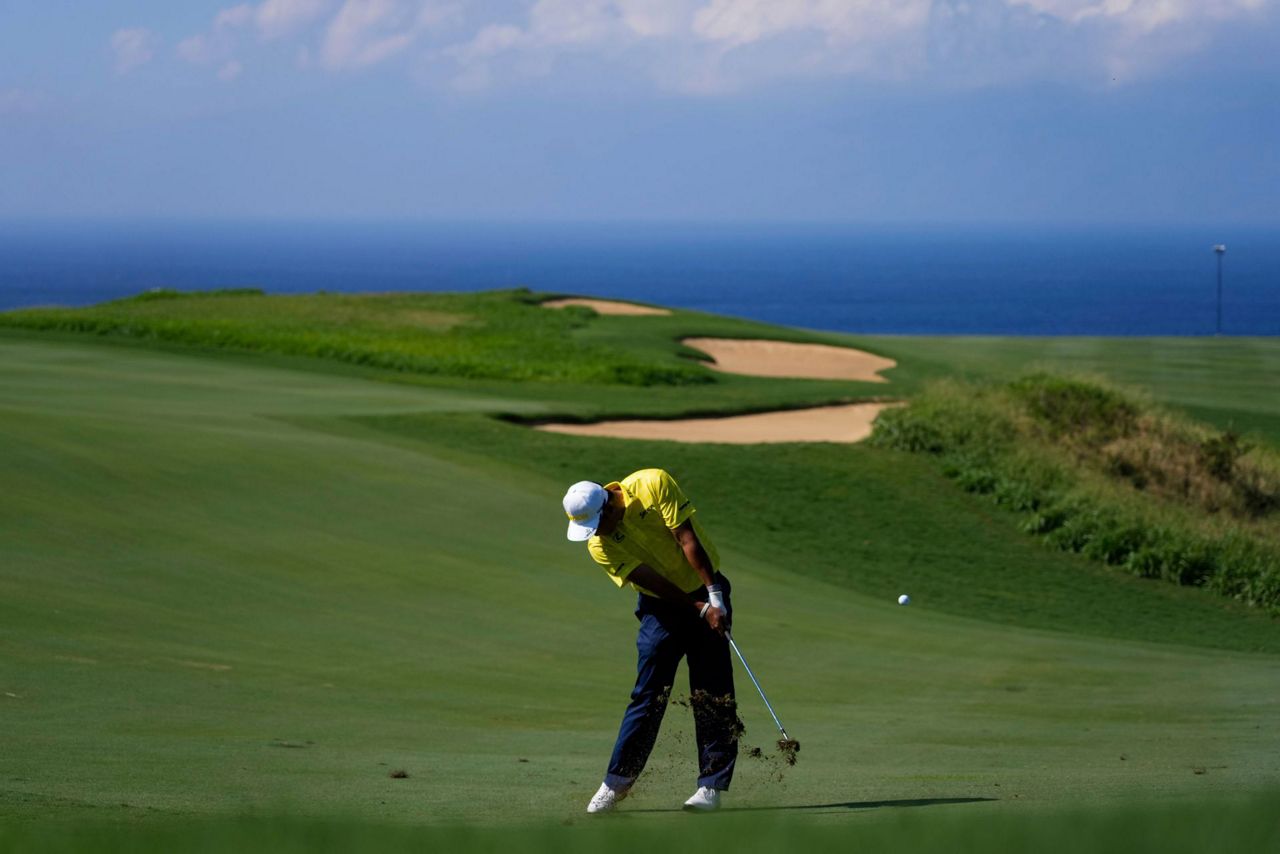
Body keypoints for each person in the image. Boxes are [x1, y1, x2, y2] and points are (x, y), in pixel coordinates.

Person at [562, 468, 737, 814]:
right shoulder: (599, 546)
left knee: (712, 689)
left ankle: (711, 786)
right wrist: (699, 609)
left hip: (706, 585)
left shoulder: (652, 483)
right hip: (661, 608)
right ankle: (616, 783)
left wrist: (714, 598)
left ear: (608, 507)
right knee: (648, 693)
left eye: (596, 525)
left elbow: (686, 538)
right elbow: (651, 581)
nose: (595, 534)